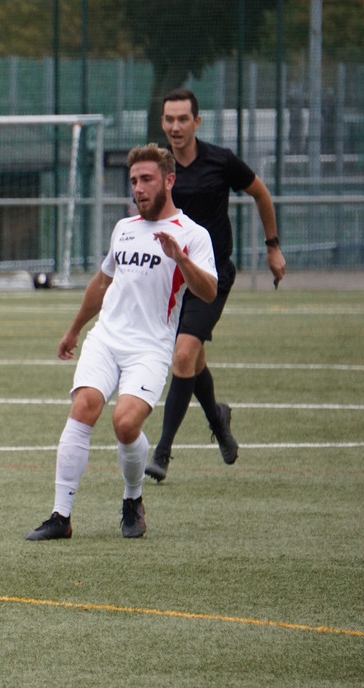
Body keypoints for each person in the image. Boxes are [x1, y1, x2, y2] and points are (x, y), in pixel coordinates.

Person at [25, 144, 218, 541]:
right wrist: (75, 328)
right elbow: (102, 282)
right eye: (133, 181)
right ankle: (61, 516)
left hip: (150, 347)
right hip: (106, 340)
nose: (138, 188)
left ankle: (133, 498)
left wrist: (181, 260)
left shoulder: (193, 235)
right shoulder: (124, 228)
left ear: (169, 180)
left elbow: (210, 291)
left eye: (146, 179)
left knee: (125, 424)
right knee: (83, 408)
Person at [145, 88, 287, 483]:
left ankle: (162, 453)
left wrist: (272, 248)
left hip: (212, 276)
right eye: (169, 120)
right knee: (194, 359)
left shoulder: (220, 161)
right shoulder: (157, 163)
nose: (175, 127)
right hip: (172, 279)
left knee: (183, 355)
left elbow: (260, 193)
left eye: (182, 119)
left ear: (197, 122)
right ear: (162, 122)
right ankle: (217, 417)